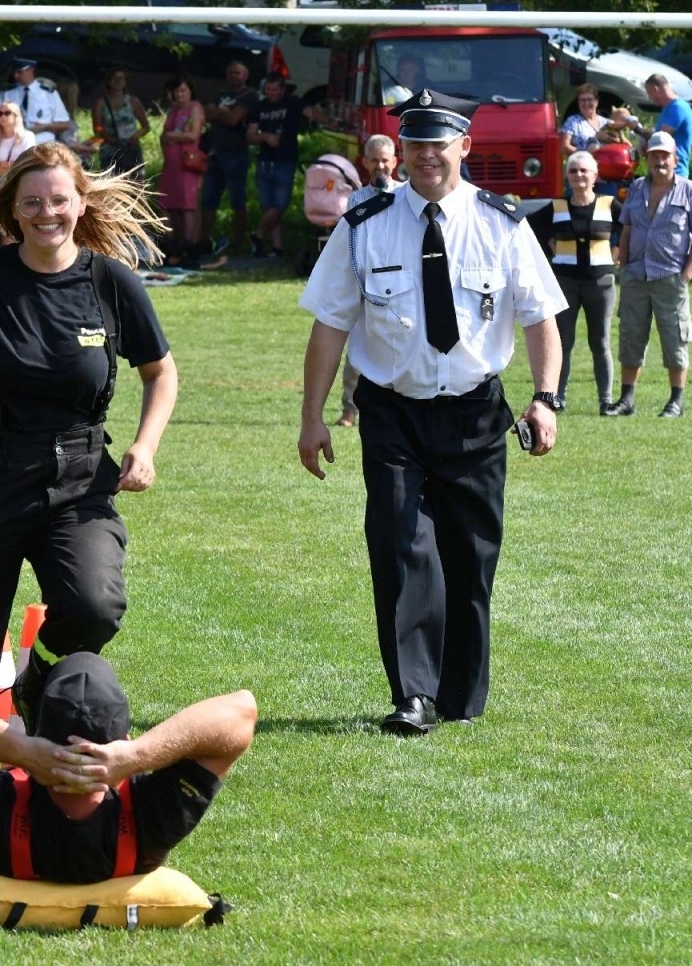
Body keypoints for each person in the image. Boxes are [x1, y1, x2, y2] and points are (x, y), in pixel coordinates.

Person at [0, 142, 177, 814]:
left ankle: (39, 681)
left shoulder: (110, 284)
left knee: (93, 606)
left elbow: (161, 373)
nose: (48, 213)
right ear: (12, 210)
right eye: (33, 202)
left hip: (78, 478)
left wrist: (145, 446)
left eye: (59, 200)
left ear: (81, 203)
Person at [296, 89, 566, 735]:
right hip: (393, 412)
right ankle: (412, 694)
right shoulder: (365, 225)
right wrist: (311, 417)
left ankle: (461, 694)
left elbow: (540, 318)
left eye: (437, 145)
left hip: (475, 413)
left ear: (464, 148)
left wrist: (548, 398)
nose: (425, 157)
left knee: (471, 558)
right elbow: (330, 325)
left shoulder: (503, 223)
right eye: (414, 145)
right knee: (399, 547)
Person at [0, 652, 256, 882]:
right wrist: (138, 756)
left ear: (39, 732)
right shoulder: (153, 821)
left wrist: (22, 750)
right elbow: (242, 711)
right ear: (124, 738)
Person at [607, 132, 692, 419]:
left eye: (665, 156)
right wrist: (624, 267)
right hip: (636, 276)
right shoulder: (636, 188)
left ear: (676, 159)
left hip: (670, 278)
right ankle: (626, 400)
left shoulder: (690, 191)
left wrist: (686, 275)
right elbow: (625, 230)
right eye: (654, 155)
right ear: (647, 159)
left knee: (675, 338)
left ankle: (676, 402)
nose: (659, 160)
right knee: (630, 337)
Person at [335, 135, 403, 429]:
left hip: (399, 284)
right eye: (374, 160)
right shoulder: (355, 199)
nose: (380, 166)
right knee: (357, 347)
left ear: (395, 162)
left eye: (385, 160)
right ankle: (350, 409)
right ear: (364, 162)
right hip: (365, 282)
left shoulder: (406, 195)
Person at [548, 151, 621, 414]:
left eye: (584, 171)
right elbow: (530, 230)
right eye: (573, 171)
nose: (579, 175)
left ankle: (605, 400)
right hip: (565, 284)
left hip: (600, 283)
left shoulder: (609, 204)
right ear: (567, 176)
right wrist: (549, 248)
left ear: (595, 176)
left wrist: (618, 253)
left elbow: (630, 227)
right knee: (562, 342)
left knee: (600, 341)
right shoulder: (557, 206)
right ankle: (558, 397)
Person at [200, 61, 259, 258]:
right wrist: (223, 113)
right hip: (214, 153)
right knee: (208, 200)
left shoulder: (250, 95)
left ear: (246, 74)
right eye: (230, 72)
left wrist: (220, 113)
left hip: (236, 154)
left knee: (237, 200)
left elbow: (234, 119)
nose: (234, 76)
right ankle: (203, 241)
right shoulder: (220, 94)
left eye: (238, 72)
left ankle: (237, 242)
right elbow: (206, 114)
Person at [247, 73, 307, 259]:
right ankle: (277, 248)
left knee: (280, 204)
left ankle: (257, 235)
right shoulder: (259, 107)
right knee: (269, 207)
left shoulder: (293, 103)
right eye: (268, 90)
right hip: (265, 162)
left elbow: (312, 113)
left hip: (286, 161)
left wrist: (331, 120)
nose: (271, 93)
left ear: (282, 89)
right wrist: (265, 137)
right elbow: (250, 135)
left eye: (275, 90)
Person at [157, 76, 206, 266]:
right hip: (171, 163)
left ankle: (189, 244)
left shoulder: (195, 108)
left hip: (188, 163)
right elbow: (163, 135)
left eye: (183, 90)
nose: (180, 94)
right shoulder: (173, 109)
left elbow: (193, 134)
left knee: (188, 205)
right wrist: (167, 139)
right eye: (177, 91)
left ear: (191, 91)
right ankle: (172, 243)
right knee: (168, 204)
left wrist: (172, 136)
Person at [621, 74, 692, 178]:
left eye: (649, 93)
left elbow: (661, 138)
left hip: (674, 172)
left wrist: (636, 128)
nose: (649, 97)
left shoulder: (678, 108)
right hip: (660, 169)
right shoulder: (668, 108)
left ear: (655, 89)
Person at [0, 58, 72, 145]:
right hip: (14, 143)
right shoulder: (7, 93)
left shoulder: (48, 93)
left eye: (20, 72)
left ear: (31, 71)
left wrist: (44, 127)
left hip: (42, 144)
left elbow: (65, 124)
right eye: (14, 73)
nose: (15, 76)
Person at [92, 68, 149, 177]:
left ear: (126, 81)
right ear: (108, 81)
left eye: (121, 78)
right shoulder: (101, 103)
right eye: (115, 78)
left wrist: (136, 135)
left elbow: (145, 126)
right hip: (109, 150)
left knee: (135, 185)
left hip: (130, 148)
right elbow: (97, 127)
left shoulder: (133, 101)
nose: (118, 81)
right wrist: (107, 137)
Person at [0, 100, 38, 190]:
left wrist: (2, 165)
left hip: (23, 184)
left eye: (7, 113)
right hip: (4, 187)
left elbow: (27, 164)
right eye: (0, 113)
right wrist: (14, 164)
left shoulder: (28, 136)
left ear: (16, 116)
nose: (3, 116)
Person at [559, 83, 616, 157]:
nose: (586, 103)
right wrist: (587, 153)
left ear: (596, 101)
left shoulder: (607, 122)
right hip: (582, 164)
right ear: (578, 103)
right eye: (582, 100)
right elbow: (564, 147)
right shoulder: (572, 121)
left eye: (589, 99)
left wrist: (608, 138)